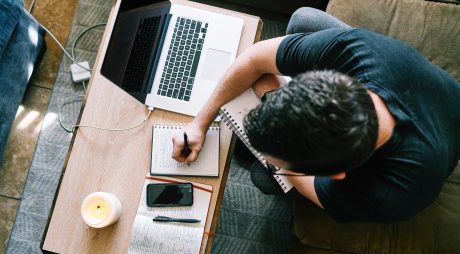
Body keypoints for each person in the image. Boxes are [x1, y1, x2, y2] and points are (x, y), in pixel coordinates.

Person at [171, 8, 460, 223]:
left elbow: (313, 188)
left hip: (436, 154)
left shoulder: (388, 195)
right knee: (304, 20)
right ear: (325, 79)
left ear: (335, 175)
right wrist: (200, 123)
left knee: (263, 175)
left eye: (285, 163)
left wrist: (278, 168)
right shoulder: (358, 51)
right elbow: (255, 57)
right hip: (434, 99)